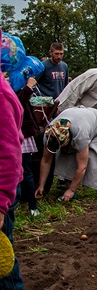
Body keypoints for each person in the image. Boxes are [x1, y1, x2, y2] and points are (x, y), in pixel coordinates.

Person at [0, 63, 28, 290]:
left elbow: (9, 153)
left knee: (2, 253)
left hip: (2, 189)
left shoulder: (1, 95)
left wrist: (1, 203)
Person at [36, 108, 97, 201]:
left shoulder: (80, 135)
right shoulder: (50, 134)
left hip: (96, 120)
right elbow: (46, 160)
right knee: (64, 155)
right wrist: (41, 185)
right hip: (77, 116)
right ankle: (68, 189)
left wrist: (71, 190)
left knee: (95, 156)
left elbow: (82, 167)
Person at [16, 76, 40, 216]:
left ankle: (32, 206)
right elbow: (17, 103)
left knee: (26, 171)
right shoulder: (9, 86)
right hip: (14, 134)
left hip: (23, 133)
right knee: (17, 171)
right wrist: (28, 87)